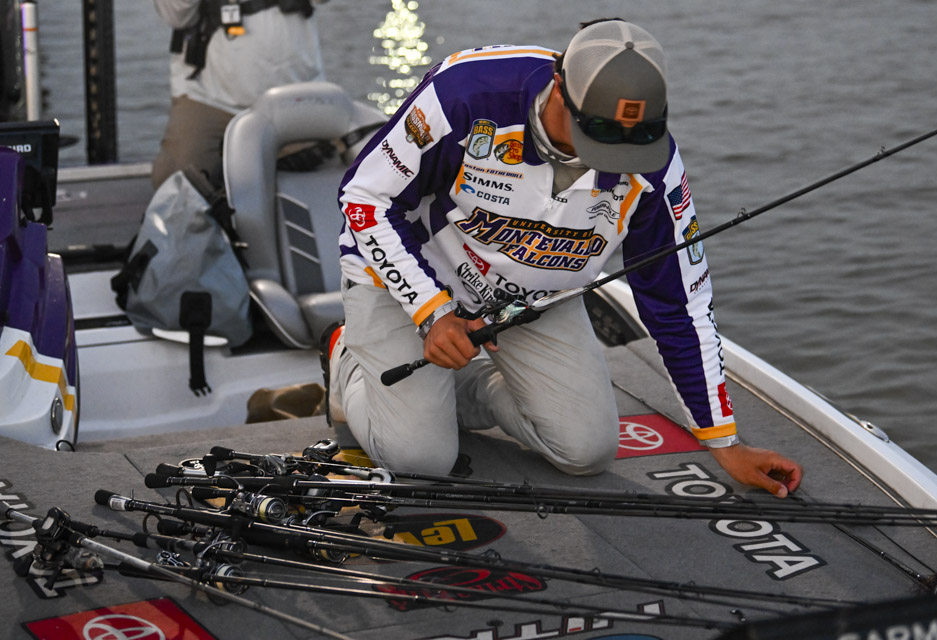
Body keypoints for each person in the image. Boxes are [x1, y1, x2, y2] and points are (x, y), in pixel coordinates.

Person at [326, 19, 804, 497]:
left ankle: (456, 391)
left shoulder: (653, 163)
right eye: (598, 132)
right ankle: (346, 358)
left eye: (634, 138)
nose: (612, 157)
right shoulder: (466, 93)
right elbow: (365, 198)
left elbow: (681, 304)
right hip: (410, 275)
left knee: (586, 451)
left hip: (531, 299)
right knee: (421, 461)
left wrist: (725, 443)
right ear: (559, 87)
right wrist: (432, 311)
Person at [151, 0, 327, 188]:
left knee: (322, 180)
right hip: (209, 96)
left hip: (293, 94)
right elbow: (175, 17)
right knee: (177, 182)